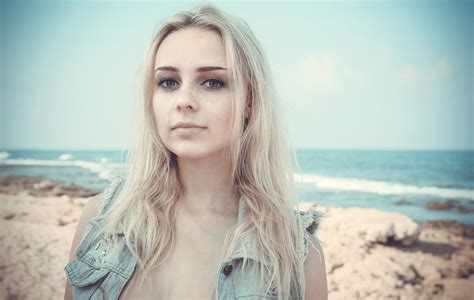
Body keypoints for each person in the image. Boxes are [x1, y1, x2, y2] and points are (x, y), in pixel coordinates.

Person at [64, 4, 327, 300]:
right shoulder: (102, 221)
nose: (184, 100)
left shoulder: (297, 256)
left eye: (212, 82)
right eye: (168, 82)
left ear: (250, 101)